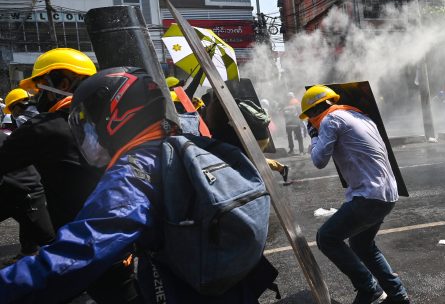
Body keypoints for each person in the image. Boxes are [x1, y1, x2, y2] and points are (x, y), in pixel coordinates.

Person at [0, 67, 277, 303]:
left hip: (185, 289)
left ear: (117, 116)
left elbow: (81, 251)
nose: (89, 130)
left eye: (91, 120)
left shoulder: (135, 169)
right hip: (234, 286)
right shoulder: (185, 143)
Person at [0, 48, 139, 303]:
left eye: (41, 87)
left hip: (79, 244)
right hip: (123, 237)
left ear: (63, 83)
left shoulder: (44, 129)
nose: (37, 96)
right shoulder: (115, 121)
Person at [300, 85, 411, 304]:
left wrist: (314, 136)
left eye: (310, 117)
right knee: (362, 245)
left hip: (369, 195)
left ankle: (369, 288)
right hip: (387, 193)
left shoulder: (332, 120)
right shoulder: (362, 116)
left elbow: (319, 161)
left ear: (315, 111)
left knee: (327, 237)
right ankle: (398, 295)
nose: (311, 121)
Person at [0, 130, 55, 265]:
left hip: (27, 190)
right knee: (25, 230)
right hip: (7, 190)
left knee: (46, 240)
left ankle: (57, 271)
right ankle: (26, 254)